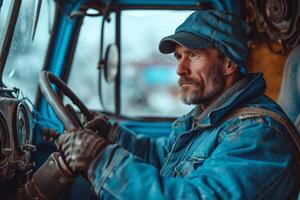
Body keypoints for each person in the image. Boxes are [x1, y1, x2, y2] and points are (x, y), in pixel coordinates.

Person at [57, 10, 300, 199]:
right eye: (178, 56)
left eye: (193, 55)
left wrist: (101, 160)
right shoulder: (207, 118)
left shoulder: (258, 135)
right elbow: (163, 157)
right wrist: (111, 135)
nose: (180, 69)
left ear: (228, 64)